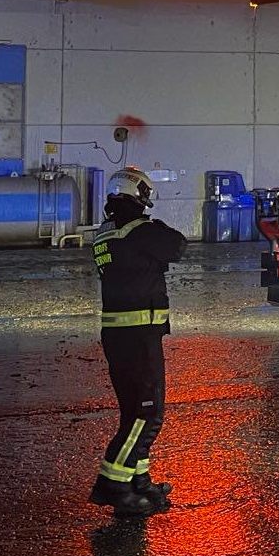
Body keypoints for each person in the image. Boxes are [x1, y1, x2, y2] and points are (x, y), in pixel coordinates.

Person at [89, 166, 186, 517]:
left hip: (119, 335)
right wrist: (154, 225)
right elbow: (178, 246)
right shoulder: (141, 230)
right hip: (139, 335)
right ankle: (113, 485)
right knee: (147, 415)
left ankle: (138, 481)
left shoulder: (105, 234)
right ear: (137, 193)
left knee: (135, 412)